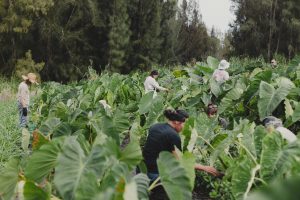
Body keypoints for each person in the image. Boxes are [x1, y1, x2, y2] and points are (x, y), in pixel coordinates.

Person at [143, 109, 221, 183]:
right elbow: (181, 162)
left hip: (142, 169)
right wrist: (205, 168)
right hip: (155, 175)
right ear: (177, 122)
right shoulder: (173, 135)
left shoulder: (155, 126)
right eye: (185, 123)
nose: (185, 127)